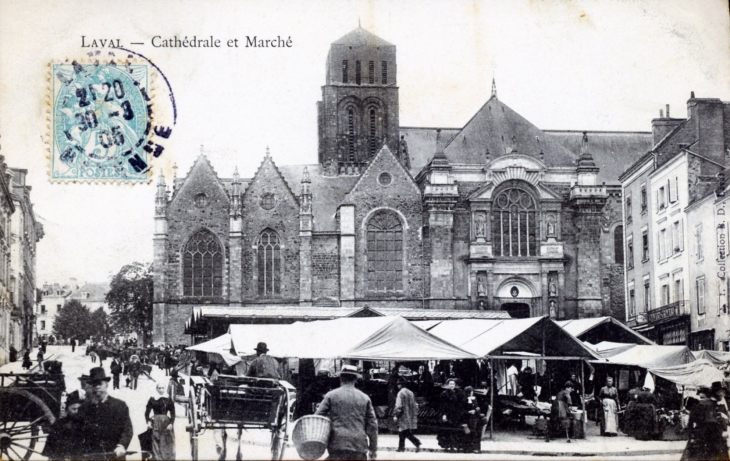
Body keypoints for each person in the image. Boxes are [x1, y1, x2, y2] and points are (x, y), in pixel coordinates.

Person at [315, 364, 378, 460]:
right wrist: (373, 448)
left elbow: (317, 417)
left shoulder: (331, 395)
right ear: (355, 380)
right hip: (359, 445)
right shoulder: (365, 398)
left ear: (341, 378)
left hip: (337, 444)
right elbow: (372, 425)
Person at [79, 367, 133, 459]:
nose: (97, 387)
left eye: (99, 383)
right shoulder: (84, 407)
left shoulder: (119, 405)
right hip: (91, 456)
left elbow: (127, 430)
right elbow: (78, 431)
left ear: (106, 384)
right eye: (94, 384)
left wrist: (121, 445)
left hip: (114, 455)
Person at [682, 385, 729, 461]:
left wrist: (691, 436)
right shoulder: (717, 406)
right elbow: (723, 422)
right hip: (714, 435)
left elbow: (690, 424)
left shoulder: (697, 407)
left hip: (703, 434)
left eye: (702, 398)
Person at [42, 390, 85, 460]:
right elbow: (51, 447)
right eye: (74, 409)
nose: (76, 412)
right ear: (67, 408)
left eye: (79, 409)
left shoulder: (84, 423)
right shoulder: (59, 424)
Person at [145, 381, 176, 460]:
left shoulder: (168, 399)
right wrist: (148, 421)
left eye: (163, 388)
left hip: (166, 422)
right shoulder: (152, 399)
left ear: (165, 389)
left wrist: (171, 423)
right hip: (155, 422)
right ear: (156, 389)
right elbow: (147, 412)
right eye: (159, 388)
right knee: (155, 440)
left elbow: (172, 412)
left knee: (167, 441)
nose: (161, 390)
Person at [437, 379, 466, 451]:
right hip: (448, 414)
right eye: (450, 384)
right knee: (447, 430)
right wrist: (443, 414)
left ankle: (456, 445)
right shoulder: (444, 394)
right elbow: (442, 405)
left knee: (456, 430)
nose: (452, 385)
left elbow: (462, 404)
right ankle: (447, 445)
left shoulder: (460, 393)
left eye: (453, 384)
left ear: (455, 385)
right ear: (447, 385)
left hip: (456, 414)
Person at [393, 379, 421, 452]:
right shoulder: (411, 393)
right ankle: (402, 447)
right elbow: (415, 404)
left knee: (402, 431)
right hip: (410, 415)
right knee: (404, 431)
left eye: (398, 384)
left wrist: (396, 414)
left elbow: (398, 405)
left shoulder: (400, 393)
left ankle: (415, 443)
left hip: (403, 415)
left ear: (400, 385)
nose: (398, 386)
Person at [464, 386, 488, 453]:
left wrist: (477, 410)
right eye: (470, 392)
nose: (471, 393)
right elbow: (462, 409)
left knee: (478, 432)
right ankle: (469, 448)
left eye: (472, 392)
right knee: (472, 432)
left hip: (475, 418)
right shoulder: (464, 399)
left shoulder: (474, 399)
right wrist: (469, 411)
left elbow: (477, 408)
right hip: (468, 418)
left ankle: (477, 448)